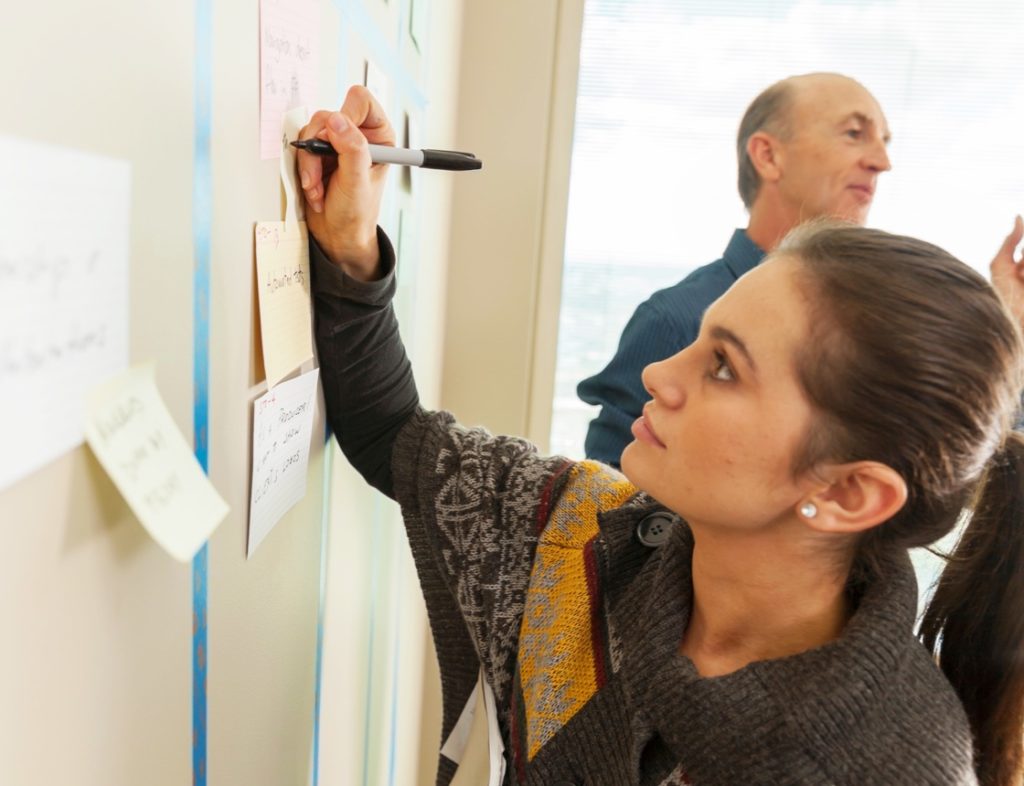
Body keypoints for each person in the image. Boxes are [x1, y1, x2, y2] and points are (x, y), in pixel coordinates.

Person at [298, 86, 1024, 786]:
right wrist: (354, 244)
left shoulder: (895, 766)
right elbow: (394, 435)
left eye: (724, 369)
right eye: (702, 340)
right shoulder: (579, 536)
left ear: (846, 490)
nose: (657, 374)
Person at [577, 72, 1023, 469]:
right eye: (854, 133)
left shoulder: (877, 325)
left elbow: (968, 461)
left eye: (884, 142)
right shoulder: (673, 319)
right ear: (768, 156)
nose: (881, 162)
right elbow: (608, 520)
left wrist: (1011, 328)